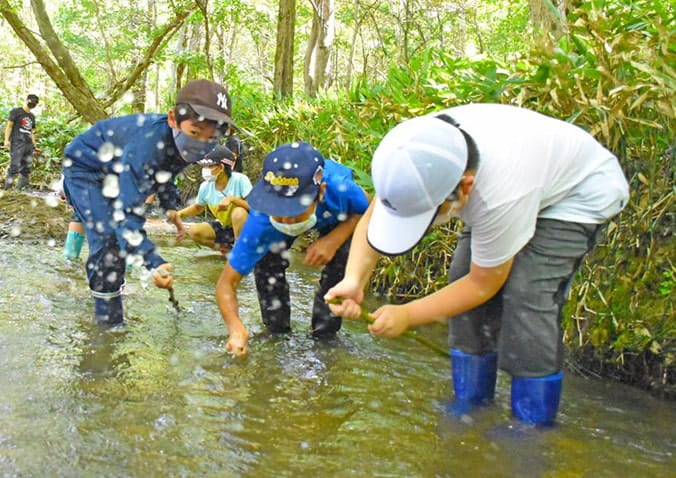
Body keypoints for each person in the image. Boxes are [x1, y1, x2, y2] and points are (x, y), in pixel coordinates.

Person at [325, 104, 629, 426]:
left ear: (464, 187)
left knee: (527, 295)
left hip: (577, 195)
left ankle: (532, 425)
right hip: (514, 182)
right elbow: (377, 212)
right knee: (460, 277)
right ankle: (471, 401)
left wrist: (408, 314)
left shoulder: (500, 193)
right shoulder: (415, 150)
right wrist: (354, 278)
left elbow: (484, 283)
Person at [62, 79, 235, 324]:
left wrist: (170, 207)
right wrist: (154, 262)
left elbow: (166, 171)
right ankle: (107, 324)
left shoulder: (187, 144)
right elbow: (126, 217)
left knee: (117, 237)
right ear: (173, 119)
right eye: (195, 132)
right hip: (86, 169)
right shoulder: (147, 145)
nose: (201, 144)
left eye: (212, 137)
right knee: (108, 235)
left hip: (119, 165)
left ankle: (113, 289)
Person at [215, 141, 370, 356]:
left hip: (337, 220)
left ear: (321, 193)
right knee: (266, 265)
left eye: (295, 211)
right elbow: (226, 283)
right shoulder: (261, 219)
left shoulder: (340, 188)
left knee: (340, 267)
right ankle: (276, 331)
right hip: (273, 229)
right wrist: (235, 328)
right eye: (279, 211)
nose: (287, 220)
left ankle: (325, 336)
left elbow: (365, 212)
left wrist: (332, 240)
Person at [177, 145, 252, 253]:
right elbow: (198, 207)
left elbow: (254, 207)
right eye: (203, 166)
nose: (204, 170)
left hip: (247, 228)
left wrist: (232, 199)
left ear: (221, 167)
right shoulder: (205, 186)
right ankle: (227, 251)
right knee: (195, 231)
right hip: (224, 227)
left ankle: (241, 251)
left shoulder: (240, 180)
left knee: (238, 212)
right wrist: (179, 214)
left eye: (209, 166)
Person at [3, 94, 40, 190]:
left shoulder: (32, 116)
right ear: (27, 100)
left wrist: (34, 146)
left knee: (26, 168)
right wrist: (6, 140)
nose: (33, 104)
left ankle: (20, 191)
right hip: (17, 142)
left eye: (35, 103)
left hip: (28, 144)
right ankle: (8, 189)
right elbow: (9, 126)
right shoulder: (16, 112)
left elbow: (31, 132)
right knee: (14, 165)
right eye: (32, 101)